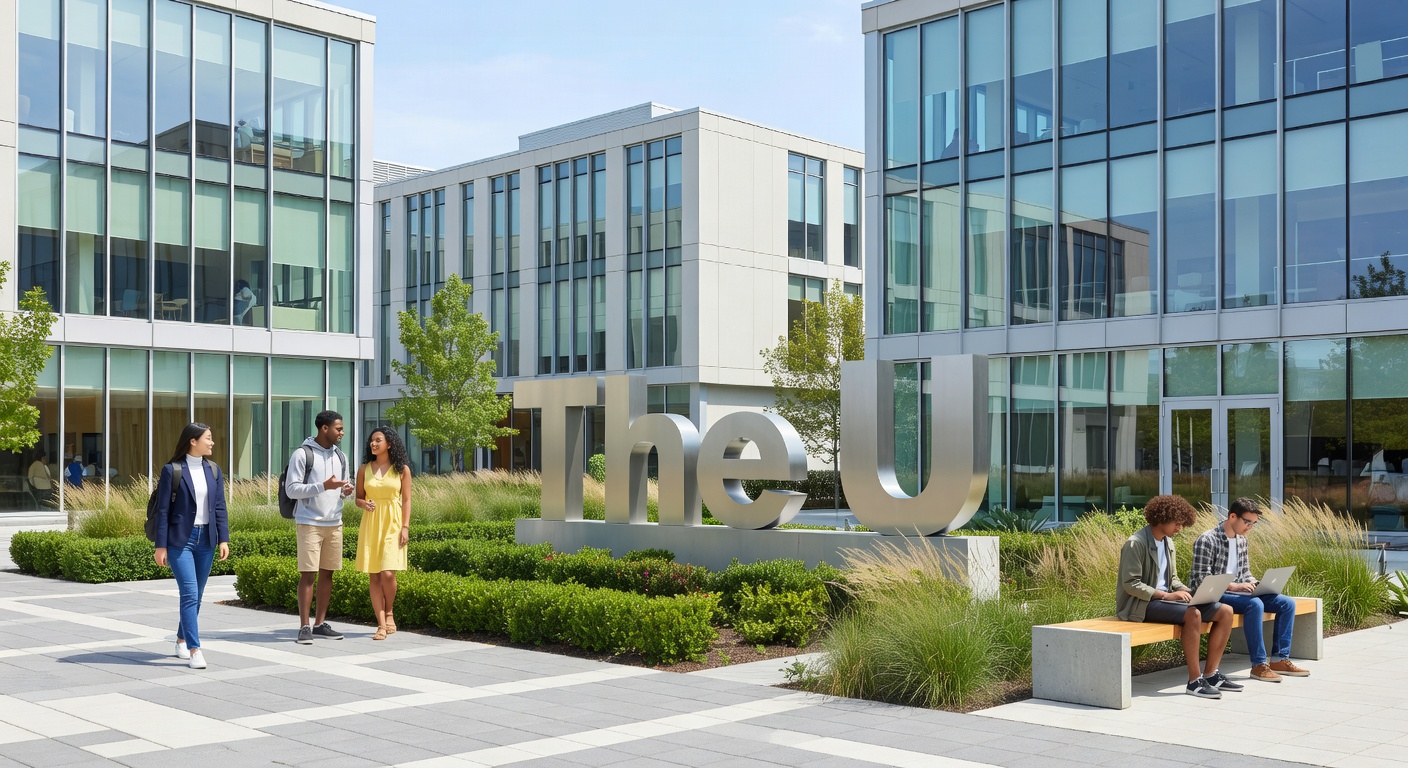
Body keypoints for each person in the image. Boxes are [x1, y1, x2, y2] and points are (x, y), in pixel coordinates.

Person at [1117, 494, 1239, 699]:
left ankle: (1210, 675)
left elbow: (1173, 579)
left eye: (1183, 524)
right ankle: (1194, 681)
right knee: (1193, 614)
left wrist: (1189, 593)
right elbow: (1131, 584)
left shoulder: (1168, 543)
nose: (1179, 528)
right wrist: (1168, 595)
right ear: (1161, 518)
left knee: (1225, 611)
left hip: (1166, 600)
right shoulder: (1136, 543)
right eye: (1177, 523)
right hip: (1142, 604)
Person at [1190, 498, 1311, 683]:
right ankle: (1258, 665)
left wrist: (1257, 584)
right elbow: (1200, 579)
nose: (1250, 527)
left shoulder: (1241, 541)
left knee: (1286, 603)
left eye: (1254, 523)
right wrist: (1232, 586)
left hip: (1238, 593)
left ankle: (1279, 659)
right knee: (1255, 604)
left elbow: (1245, 573)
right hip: (1215, 595)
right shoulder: (1207, 539)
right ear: (1232, 516)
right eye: (1247, 522)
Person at [152, 422, 230, 670]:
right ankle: (195, 649)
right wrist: (160, 546)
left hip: (206, 540)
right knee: (189, 594)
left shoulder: (214, 471)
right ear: (192, 441)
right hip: (180, 541)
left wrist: (224, 538)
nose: (212, 442)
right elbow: (163, 511)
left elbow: (219, 507)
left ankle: (181, 639)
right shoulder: (171, 470)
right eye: (208, 438)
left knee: (196, 596)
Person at [284, 410, 353, 645]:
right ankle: (304, 627)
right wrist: (323, 485)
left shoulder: (341, 456)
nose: (342, 432)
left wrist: (345, 492)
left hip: (334, 522)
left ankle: (320, 624)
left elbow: (342, 492)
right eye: (338, 428)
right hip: (309, 522)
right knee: (308, 575)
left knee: (328, 574)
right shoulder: (302, 455)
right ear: (324, 429)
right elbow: (291, 489)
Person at [354, 427, 412, 640]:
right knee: (374, 575)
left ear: (389, 444)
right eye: (371, 440)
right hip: (371, 523)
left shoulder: (402, 470)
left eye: (378, 440)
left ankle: (389, 611)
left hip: (393, 523)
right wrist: (363, 503)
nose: (373, 443)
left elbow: (406, 500)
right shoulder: (364, 469)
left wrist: (405, 527)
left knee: (388, 573)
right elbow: (358, 498)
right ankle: (380, 624)